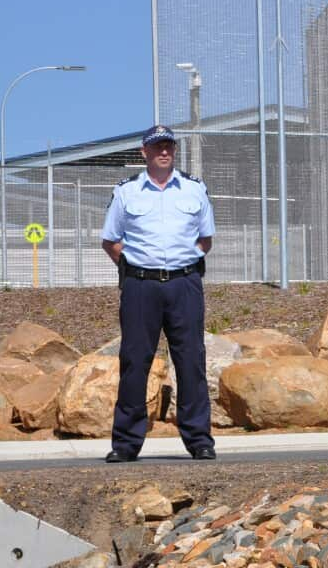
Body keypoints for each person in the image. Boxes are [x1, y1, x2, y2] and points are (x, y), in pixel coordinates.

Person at [100, 125, 217, 462]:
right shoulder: (127, 192)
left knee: (191, 361)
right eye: (157, 147)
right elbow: (110, 240)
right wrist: (135, 268)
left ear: (174, 151)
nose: (163, 152)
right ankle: (125, 444)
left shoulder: (194, 190)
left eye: (168, 146)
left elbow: (205, 240)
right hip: (141, 287)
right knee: (135, 362)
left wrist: (182, 263)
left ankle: (199, 441)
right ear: (144, 153)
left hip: (185, 285)